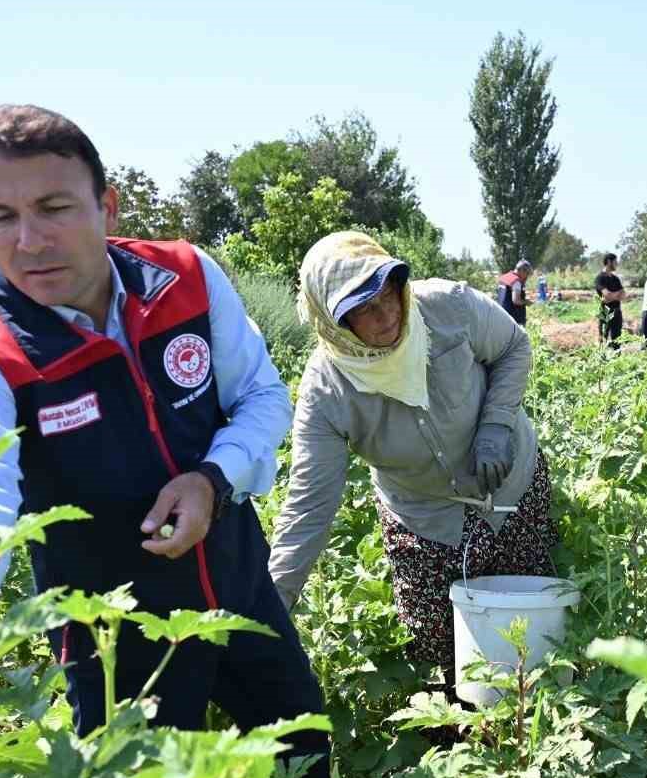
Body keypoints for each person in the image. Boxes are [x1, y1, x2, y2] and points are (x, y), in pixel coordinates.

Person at [0, 105, 330, 778]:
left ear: (104, 205)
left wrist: (211, 479)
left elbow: (261, 395)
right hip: (113, 636)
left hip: (237, 585)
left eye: (54, 207)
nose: (30, 240)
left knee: (306, 756)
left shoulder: (187, 279)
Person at [268, 232, 555, 689]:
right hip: (424, 519)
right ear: (333, 321)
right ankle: (460, 743)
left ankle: (530, 733)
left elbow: (513, 346)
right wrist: (267, 611)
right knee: (438, 646)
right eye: (362, 309)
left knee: (526, 632)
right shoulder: (328, 391)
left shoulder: (449, 307)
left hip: (509, 485)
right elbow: (308, 505)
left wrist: (497, 425)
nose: (387, 316)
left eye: (389, 295)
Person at [594, 252, 626, 349]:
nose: (617, 264)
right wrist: (616, 295)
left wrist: (611, 296)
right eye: (615, 262)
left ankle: (616, 361)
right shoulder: (600, 278)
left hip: (617, 312)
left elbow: (623, 294)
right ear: (609, 262)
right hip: (605, 311)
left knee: (617, 340)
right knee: (603, 339)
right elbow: (606, 295)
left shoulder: (615, 278)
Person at [496, 259, 533, 326]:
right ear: (522, 270)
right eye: (527, 273)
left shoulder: (505, 277)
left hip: (500, 315)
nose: (526, 276)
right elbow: (516, 300)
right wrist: (526, 302)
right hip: (512, 318)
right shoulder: (516, 282)